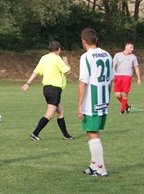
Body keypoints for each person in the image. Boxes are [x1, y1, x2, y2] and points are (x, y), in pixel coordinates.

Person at [78, 28, 114, 177]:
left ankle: (101, 169)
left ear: (83, 41)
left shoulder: (86, 57)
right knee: (93, 132)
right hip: (103, 99)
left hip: (92, 101)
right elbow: (111, 79)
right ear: (96, 39)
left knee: (92, 133)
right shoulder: (107, 54)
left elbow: (83, 82)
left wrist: (79, 105)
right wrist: (107, 98)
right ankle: (94, 165)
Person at [22, 41, 75, 141]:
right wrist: (66, 61)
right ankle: (34, 134)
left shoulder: (44, 58)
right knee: (50, 114)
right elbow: (68, 72)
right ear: (59, 49)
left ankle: (66, 135)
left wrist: (28, 83)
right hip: (54, 90)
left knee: (60, 111)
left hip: (46, 89)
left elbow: (36, 71)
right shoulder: (57, 58)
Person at [112, 42, 140, 114]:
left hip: (127, 77)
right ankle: (127, 106)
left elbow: (136, 68)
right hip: (118, 77)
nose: (132, 49)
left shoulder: (133, 57)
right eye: (131, 47)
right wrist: (113, 74)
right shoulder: (117, 55)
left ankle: (121, 110)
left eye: (133, 48)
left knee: (124, 95)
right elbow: (113, 66)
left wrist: (139, 78)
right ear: (126, 47)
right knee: (117, 95)